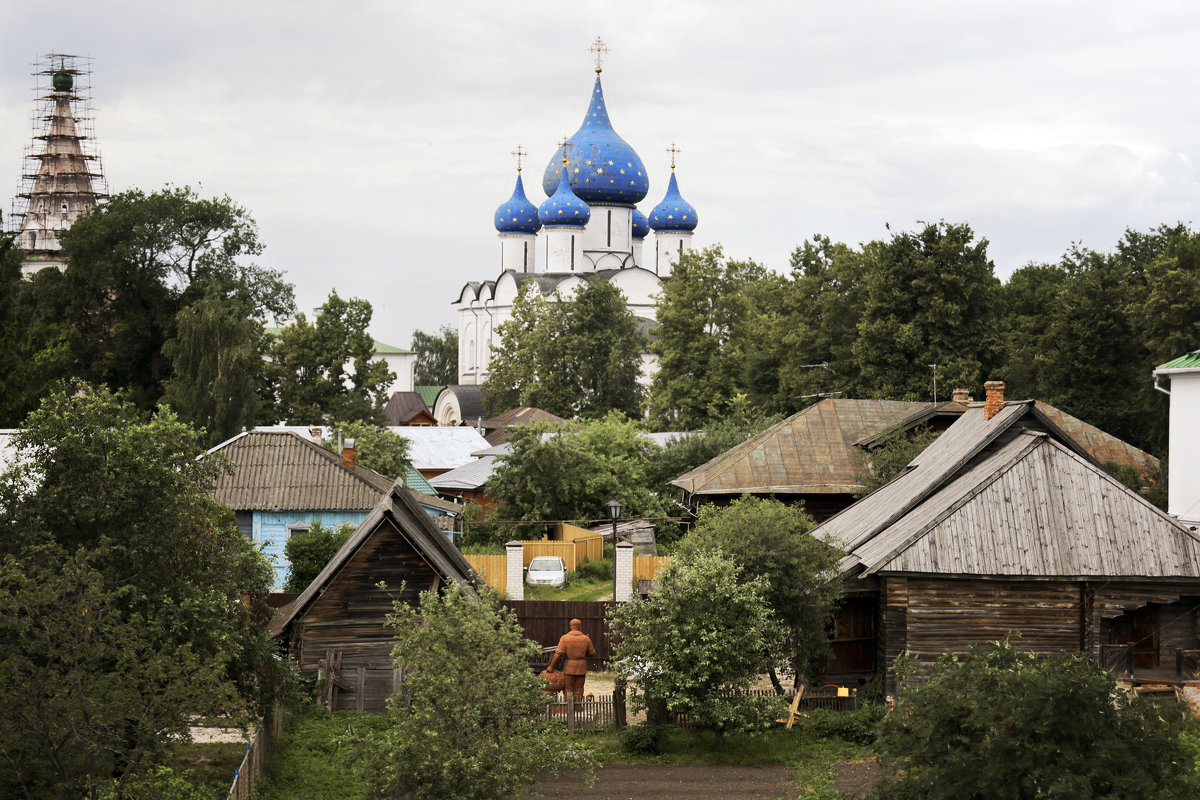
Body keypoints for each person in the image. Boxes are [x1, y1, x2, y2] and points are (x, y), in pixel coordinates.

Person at [549, 618, 596, 705]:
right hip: (581, 667)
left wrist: (551, 666)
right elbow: (592, 654)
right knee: (579, 688)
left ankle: (568, 706)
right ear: (579, 627)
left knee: (568, 688)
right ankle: (578, 706)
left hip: (569, 667)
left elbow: (558, 654)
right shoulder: (586, 639)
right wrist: (588, 641)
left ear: (571, 626)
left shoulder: (565, 638)